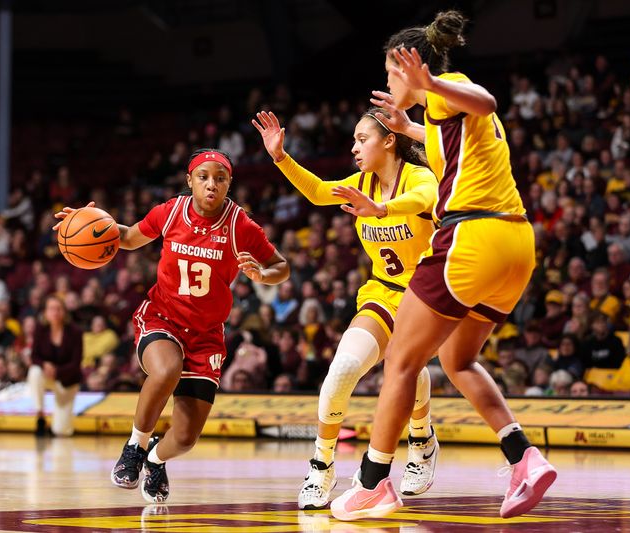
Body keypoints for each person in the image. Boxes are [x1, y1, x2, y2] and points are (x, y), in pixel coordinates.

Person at [330, 10, 556, 522]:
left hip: (472, 238)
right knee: (457, 361)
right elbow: (450, 148)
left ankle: (372, 483)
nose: (388, 82)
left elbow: (487, 99)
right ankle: (523, 457)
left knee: (400, 362)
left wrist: (427, 82)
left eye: (392, 72)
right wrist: (408, 123)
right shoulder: (439, 114)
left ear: (409, 65)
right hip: (515, 245)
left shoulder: (445, 85)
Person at [53, 148, 289, 503]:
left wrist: (262, 274)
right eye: (204, 177)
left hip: (207, 336)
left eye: (220, 179)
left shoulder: (240, 225)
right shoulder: (170, 211)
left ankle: (155, 458)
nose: (212, 185)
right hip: (162, 317)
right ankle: (135, 446)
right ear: (189, 181)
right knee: (166, 370)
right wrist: (91, 225)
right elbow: (130, 237)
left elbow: (281, 266)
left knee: (185, 437)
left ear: (229, 184)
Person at [253, 106, 439, 509]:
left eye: (362, 139)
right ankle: (322, 465)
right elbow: (319, 191)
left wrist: (384, 210)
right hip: (382, 290)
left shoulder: (417, 176)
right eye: (354, 140)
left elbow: (427, 196)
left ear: (389, 141)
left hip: (424, 296)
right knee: (342, 368)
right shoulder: (361, 185)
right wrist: (280, 157)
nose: (354, 147)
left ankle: (421, 437)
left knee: (403, 369)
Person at [27, 295, 83, 437]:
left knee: (61, 431)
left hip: (68, 381)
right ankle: (40, 415)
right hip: (47, 376)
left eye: (58, 309)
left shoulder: (75, 332)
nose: (55, 312)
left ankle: (59, 424)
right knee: (34, 372)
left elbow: (76, 363)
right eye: (51, 309)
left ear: (64, 312)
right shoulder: (40, 330)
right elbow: (34, 356)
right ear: (46, 312)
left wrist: (57, 372)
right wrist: (45, 365)